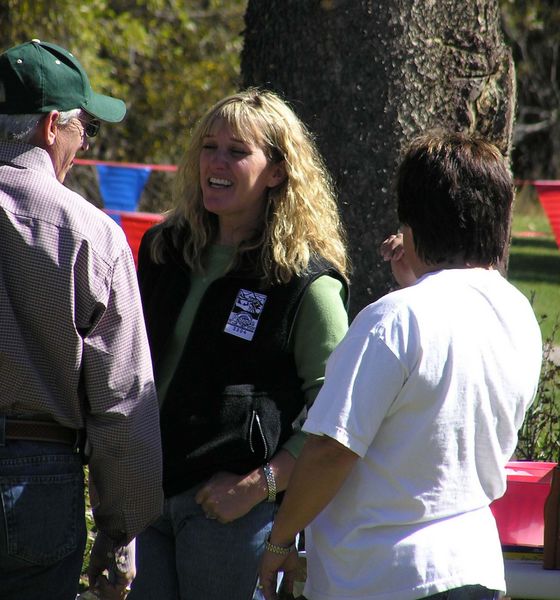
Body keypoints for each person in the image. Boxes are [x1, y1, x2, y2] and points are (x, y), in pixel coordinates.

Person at [258, 131, 543, 600]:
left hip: (383, 577)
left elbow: (332, 450)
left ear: (411, 224)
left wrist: (279, 538)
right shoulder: (517, 313)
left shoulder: (392, 319)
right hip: (476, 567)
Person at [129, 88, 349, 600]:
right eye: (209, 147)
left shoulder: (306, 283)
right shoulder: (164, 250)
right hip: (145, 501)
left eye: (237, 151)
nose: (217, 162)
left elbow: (337, 416)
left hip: (230, 517)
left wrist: (257, 487)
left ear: (277, 171)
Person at [0, 40, 163, 600]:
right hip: (37, 480)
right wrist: (119, 532)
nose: (84, 144)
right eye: (82, 128)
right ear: (51, 127)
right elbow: (123, 400)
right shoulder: (94, 235)